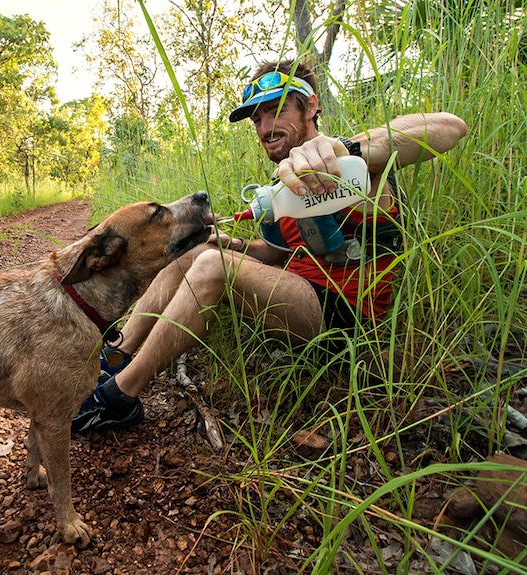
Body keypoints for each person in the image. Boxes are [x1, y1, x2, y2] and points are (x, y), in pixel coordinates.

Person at [71, 58, 468, 434]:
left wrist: (352, 148)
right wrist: (230, 242)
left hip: (348, 317)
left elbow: (451, 127)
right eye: (256, 118)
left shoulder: (354, 164)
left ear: (310, 105)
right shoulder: (284, 184)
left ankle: (117, 398)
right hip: (299, 293)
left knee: (213, 266)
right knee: (194, 252)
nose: (263, 127)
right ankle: (114, 357)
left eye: (275, 110)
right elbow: (278, 255)